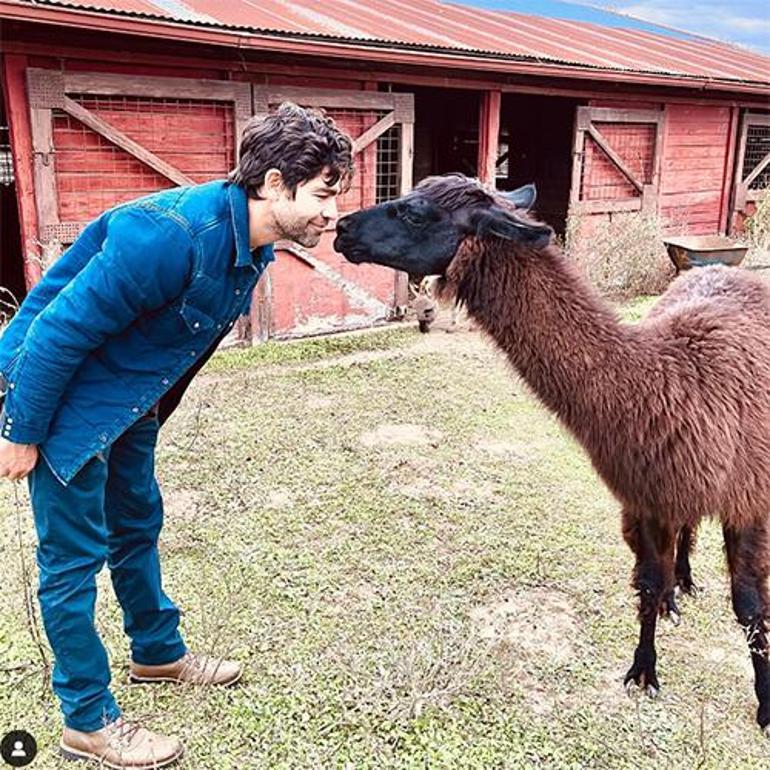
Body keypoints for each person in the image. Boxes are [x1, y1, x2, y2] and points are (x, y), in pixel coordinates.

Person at [0, 102, 353, 769]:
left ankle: (157, 652)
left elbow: (181, 349)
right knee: (73, 560)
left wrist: (151, 420)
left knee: (137, 522)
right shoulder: (168, 236)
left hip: (128, 399)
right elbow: (56, 332)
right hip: (61, 399)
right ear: (274, 184)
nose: (332, 212)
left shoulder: (248, 250)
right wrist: (21, 432)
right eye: (324, 194)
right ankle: (87, 719)